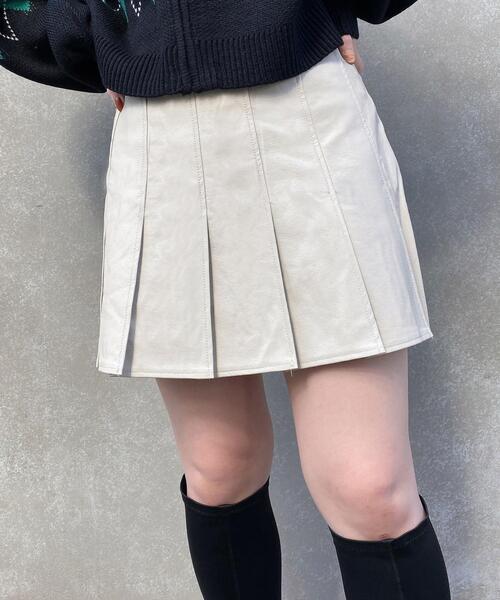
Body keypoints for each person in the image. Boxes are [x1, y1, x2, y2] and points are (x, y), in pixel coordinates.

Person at [1, 1, 452, 598]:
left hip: (306, 105)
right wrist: (94, 29)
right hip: (160, 133)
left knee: (369, 491)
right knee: (221, 469)